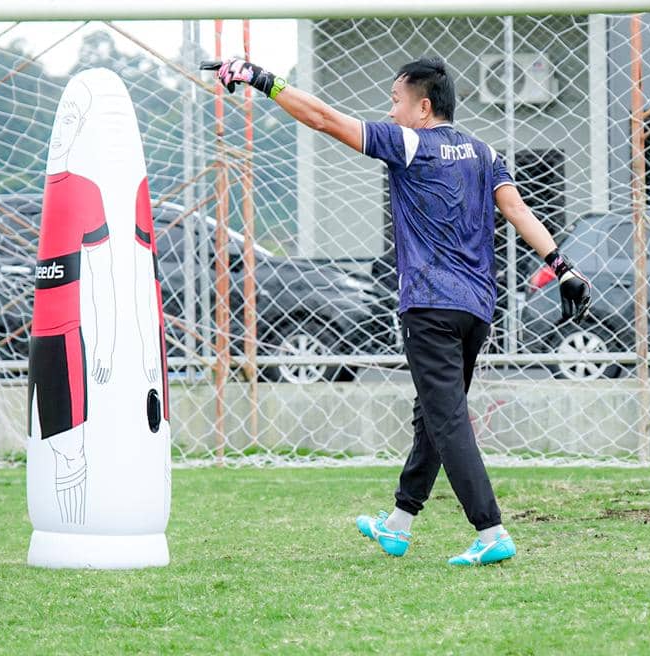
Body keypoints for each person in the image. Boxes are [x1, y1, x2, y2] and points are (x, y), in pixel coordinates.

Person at [205, 55, 591, 566]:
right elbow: (517, 209)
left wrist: (264, 81)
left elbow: (324, 119)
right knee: (431, 417)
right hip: (477, 309)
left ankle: (491, 530)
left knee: (448, 420)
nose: (389, 113)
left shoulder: (410, 143)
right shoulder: (484, 152)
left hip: (430, 305)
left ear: (424, 107)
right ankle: (398, 524)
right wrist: (562, 265)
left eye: (395, 102)